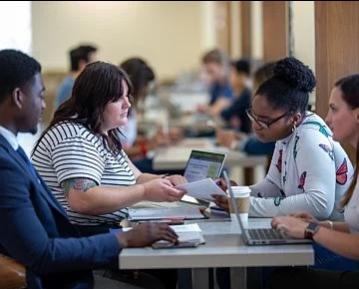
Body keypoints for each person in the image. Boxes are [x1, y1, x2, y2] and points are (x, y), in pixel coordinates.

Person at [0, 49, 179, 289]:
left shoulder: (13, 150)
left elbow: (136, 178)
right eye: (41, 95)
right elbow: (78, 205)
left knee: (169, 269)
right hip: (69, 262)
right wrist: (123, 239)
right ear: (19, 97)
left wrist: (176, 183)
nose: (45, 105)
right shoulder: (69, 138)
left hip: (78, 249)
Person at [32, 61, 186, 236]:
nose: (127, 104)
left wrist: (167, 181)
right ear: (97, 101)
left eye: (128, 96)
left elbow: (137, 177)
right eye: (119, 98)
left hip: (102, 230)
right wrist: (144, 192)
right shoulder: (74, 137)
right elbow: (83, 199)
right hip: (80, 237)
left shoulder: (102, 133)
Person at [213, 57, 353, 220]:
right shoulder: (285, 133)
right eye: (254, 116)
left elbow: (319, 204)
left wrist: (248, 205)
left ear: (294, 118)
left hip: (335, 236)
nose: (255, 126)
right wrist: (239, 194)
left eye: (264, 120)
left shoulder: (310, 137)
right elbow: (274, 185)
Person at [269, 74, 359, 289]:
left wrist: (311, 231)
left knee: (277, 274)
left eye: (334, 109)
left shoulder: (310, 137)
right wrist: (322, 225)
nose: (327, 119)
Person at [216, 62, 276, 155]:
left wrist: (239, 143)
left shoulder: (246, 94)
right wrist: (245, 138)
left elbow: (269, 144)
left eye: (232, 74)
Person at [54, 44, 97, 109]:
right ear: (82, 64)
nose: (97, 67)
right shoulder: (70, 86)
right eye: (93, 62)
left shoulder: (76, 83)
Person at [198, 49, 234, 117]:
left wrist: (208, 109)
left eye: (211, 72)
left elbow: (215, 110)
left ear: (223, 67)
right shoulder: (216, 85)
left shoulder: (231, 85)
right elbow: (212, 105)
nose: (208, 76)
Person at [220, 58, 252, 133]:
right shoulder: (241, 92)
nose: (230, 78)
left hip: (246, 137)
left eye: (232, 74)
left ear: (241, 76)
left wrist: (223, 106)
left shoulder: (246, 94)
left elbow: (226, 114)